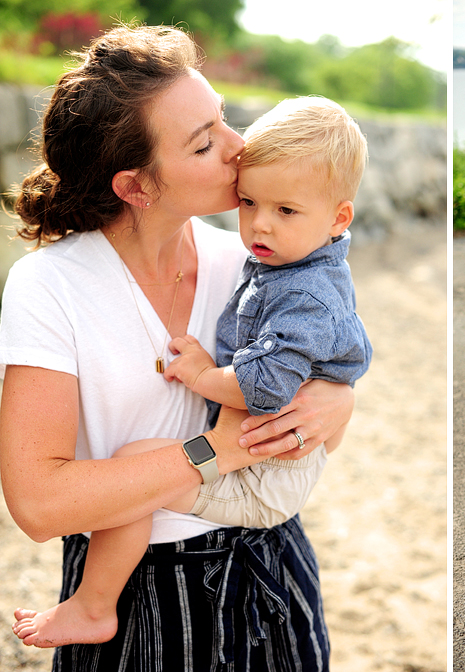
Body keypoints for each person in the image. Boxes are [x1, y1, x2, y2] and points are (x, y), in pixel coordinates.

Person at [0, 24, 354, 670]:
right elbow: (38, 503)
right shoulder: (49, 286)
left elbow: (323, 361)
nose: (237, 146)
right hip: (130, 592)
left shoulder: (255, 261)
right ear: (136, 187)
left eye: (222, 119)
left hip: (269, 566)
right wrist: (217, 447)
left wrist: (337, 398)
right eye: (204, 142)